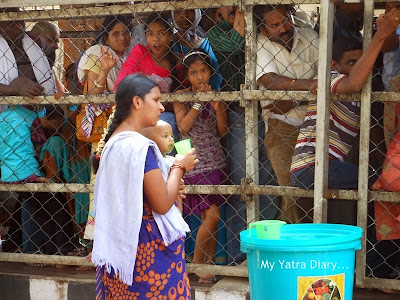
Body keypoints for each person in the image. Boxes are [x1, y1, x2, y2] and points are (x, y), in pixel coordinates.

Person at [92, 74, 198, 299]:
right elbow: (161, 203)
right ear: (137, 102)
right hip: (146, 251)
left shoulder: (113, 144)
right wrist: (179, 167)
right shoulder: (139, 147)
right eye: (156, 100)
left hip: (120, 250)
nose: (161, 107)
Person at [290, 9, 400, 216]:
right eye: (351, 62)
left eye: (361, 63)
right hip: (312, 167)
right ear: (334, 64)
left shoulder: (363, 96)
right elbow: (354, 82)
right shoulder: (330, 78)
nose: (357, 68)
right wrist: (380, 34)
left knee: (374, 183)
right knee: (379, 181)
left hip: (330, 168)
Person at [208, 6, 278, 264]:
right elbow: (237, 46)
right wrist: (241, 14)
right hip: (239, 114)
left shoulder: (265, 27)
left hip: (271, 112)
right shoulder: (217, 34)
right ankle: (240, 256)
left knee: (270, 183)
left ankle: (267, 249)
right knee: (242, 185)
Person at [254, 4, 319, 224]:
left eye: (286, 20)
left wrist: (292, 97)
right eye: (275, 25)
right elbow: (269, 80)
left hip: (317, 122)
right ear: (263, 30)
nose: (284, 28)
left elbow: (329, 74)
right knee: (293, 190)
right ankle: (297, 246)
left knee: (319, 188)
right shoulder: (260, 44)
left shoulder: (309, 36)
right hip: (282, 126)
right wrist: (309, 86)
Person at [174, 50, 228, 283]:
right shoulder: (180, 96)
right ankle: (197, 262)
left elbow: (222, 131)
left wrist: (218, 108)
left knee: (212, 216)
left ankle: (208, 263)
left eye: (204, 71)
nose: (199, 77)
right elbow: (183, 127)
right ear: (187, 75)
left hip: (215, 160)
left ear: (211, 72)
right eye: (193, 72)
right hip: (194, 160)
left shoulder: (217, 96)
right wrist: (198, 103)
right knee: (213, 216)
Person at [114, 12, 183, 141]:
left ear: (171, 36)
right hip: (138, 111)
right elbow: (121, 85)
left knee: (168, 121)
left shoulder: (178, 63)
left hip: (165, 115)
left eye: (161, 33)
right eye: (150, 34)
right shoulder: (140, 52)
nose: (156, 38)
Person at [171, 9, 222, 91]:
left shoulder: (206, 43)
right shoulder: (170, 43)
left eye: (190, 10)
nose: (184, 15)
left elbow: (216, 74)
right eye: (178, 11)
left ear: (197, 12)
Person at [142, 120, 183, 212]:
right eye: (165, 136)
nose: (171, 139)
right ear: (150, 141)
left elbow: (178, 189)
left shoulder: (173, 160)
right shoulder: (151, 163)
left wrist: (179, 210)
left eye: (171, 135)